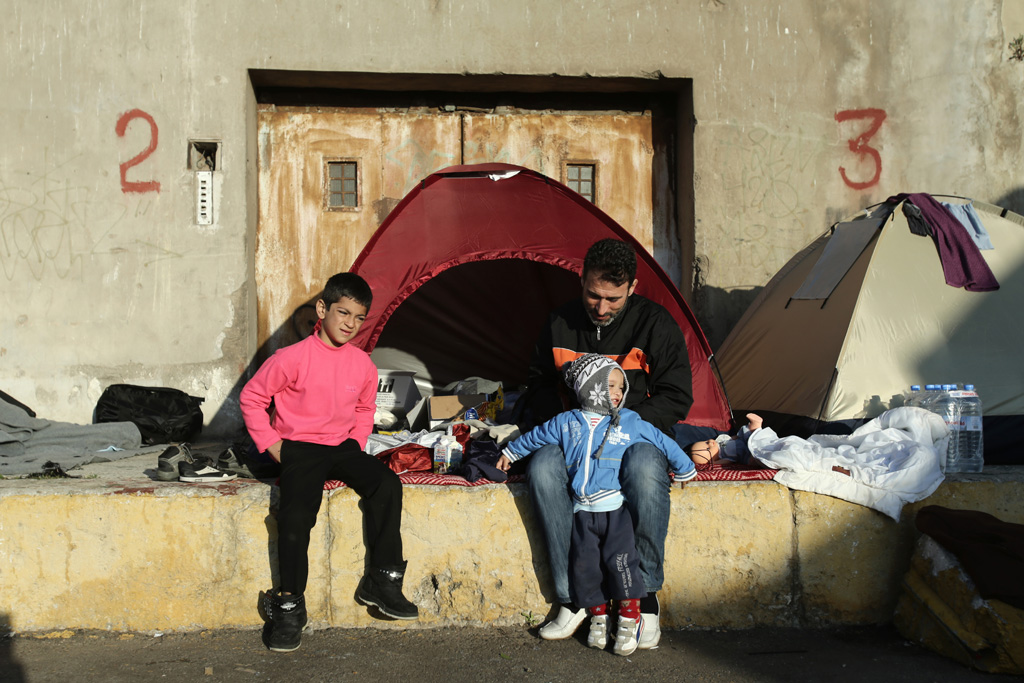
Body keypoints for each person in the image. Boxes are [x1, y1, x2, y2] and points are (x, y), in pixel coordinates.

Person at [520, 238, 694, 647]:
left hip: (635, 436)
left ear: (632, 288)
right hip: (574, 434)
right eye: (593, 295)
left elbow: (676, 395)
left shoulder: (657, 324)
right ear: (581, 281)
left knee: (646, 469)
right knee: (542, 467)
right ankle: (575, 597)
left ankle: (645, 597)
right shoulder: (559, 323)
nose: (601, 308)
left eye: (613, 299)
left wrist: (626, 427)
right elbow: (537, 383)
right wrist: (568, 426)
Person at [240, 272, 418, 653]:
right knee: (296, 514)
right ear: (322, 309)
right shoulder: (290, 359)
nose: (350, 324)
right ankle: (289, 605)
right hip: (299, 449)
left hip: (343, 447)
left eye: (358, 317)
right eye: (343, 313)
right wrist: (274, 446)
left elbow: (365, 407)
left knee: (387, 484)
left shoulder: (362, 364)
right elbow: (252, 399)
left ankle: (383, 580)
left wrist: (355, 442)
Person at [498, 354, 697, 656]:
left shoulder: (628, 421)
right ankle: (594, 615)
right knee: (586, 563)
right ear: (591, 388)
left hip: (613, 510)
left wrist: (684, 466)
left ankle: (633, 613)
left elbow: (661, 440)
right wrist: (511, 452)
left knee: (621, 561)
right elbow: (537, 435)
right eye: (611, 385)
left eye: (621, 387)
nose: (618, 393)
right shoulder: (568, 422)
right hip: (583, 512)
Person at [685, 413, 764, 469]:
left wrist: (737, 437)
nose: (710, 443)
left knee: (747, 432)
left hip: (743, 440)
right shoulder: (723, 455)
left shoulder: (721, 443)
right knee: (752, 460)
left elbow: (730, 439)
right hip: (746, 453)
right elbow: (727, 461)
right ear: (712, 460)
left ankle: (755, 425)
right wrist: (716, 464)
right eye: (708, 448)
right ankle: (758, 460)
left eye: (706, 442)